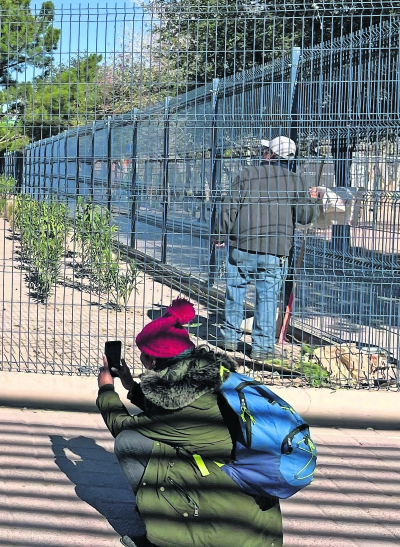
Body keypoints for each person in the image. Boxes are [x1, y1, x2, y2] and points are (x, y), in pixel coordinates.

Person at [97, 298, 284, 547]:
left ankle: (167, 537)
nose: (140, 357)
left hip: (232, 530)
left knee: (129, 442)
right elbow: (170, 412)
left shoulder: (178, 401)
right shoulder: (208, 374)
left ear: (154, 362)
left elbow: (123, 425)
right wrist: (131, 386)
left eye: (143, 353)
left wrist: (106, 389)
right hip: (256, 516)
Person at [215, 135, 321, 359]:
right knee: (268, 297)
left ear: (269, 154)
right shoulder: (296, 181)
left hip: (241, 245)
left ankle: (229, 338)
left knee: (235, 291)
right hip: (276, 250)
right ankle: (262, 348)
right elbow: (304, 217)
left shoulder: (247, 174)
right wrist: (313, 201)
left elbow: (228, 207)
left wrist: (219, 234)